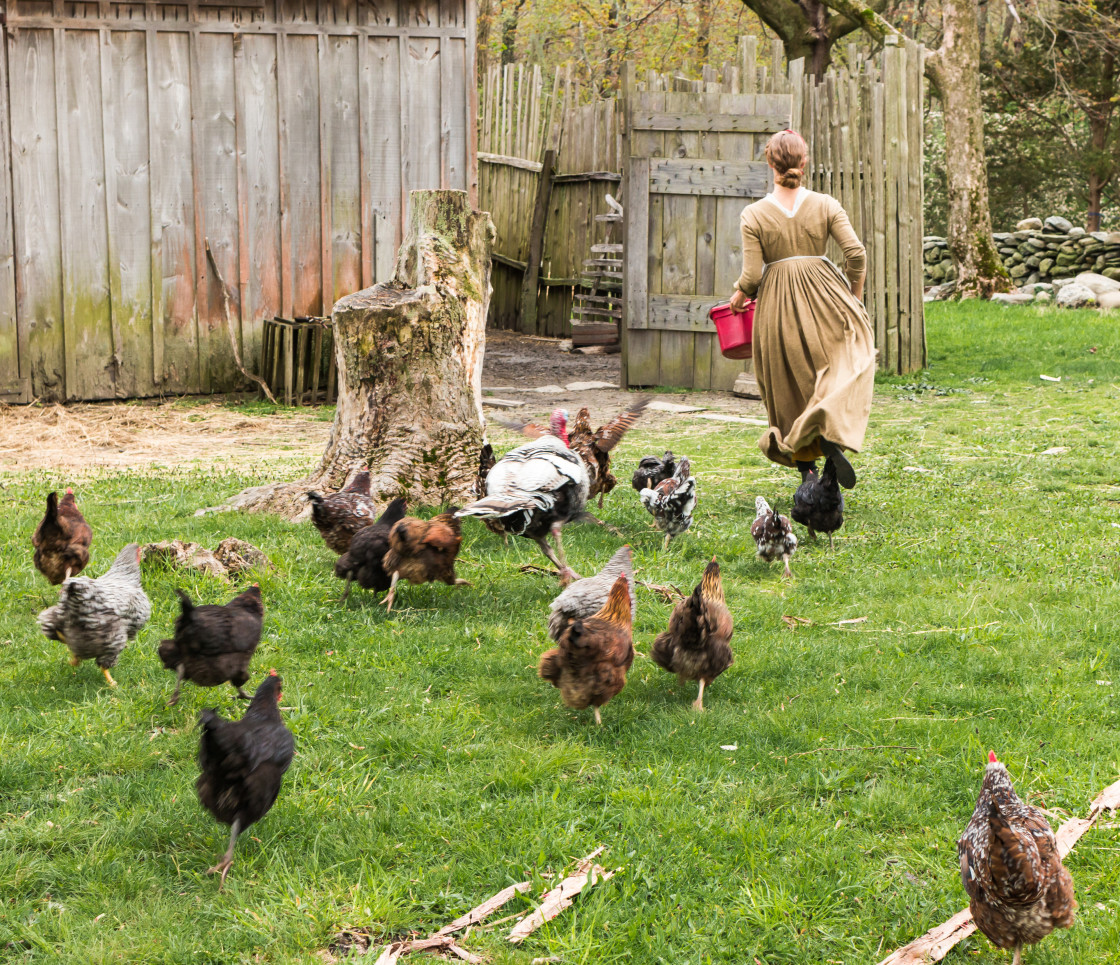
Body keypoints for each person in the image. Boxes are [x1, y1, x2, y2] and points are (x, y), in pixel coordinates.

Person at [728, 129, 875, 489]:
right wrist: (854, 297)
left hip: (777, 304)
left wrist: (739, 295)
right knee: (838, 365)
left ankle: (807, 471)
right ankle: (829, 431)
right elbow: (856, 253)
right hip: (827, 297)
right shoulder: (826, 204)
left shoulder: (753, 214)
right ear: (804, 161)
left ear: (770, 162)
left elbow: (752, 275)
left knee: (787, 386)